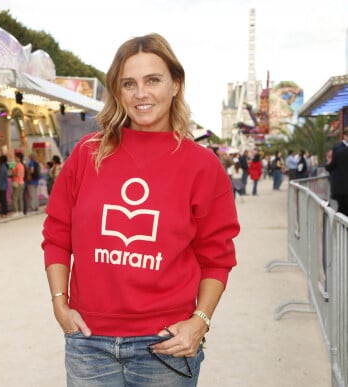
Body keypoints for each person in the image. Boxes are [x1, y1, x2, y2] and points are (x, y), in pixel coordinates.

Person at [42, 33, 240, 386]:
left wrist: (200, 321)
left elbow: (217, 257)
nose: (141, 94)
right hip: (89, 343)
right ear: (117, 92)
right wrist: (60, 302)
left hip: (166, 345)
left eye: (153, 80)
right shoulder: (87, 155)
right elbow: (57, 235)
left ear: (176, 84)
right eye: (128, 84)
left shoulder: (202, 166)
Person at [325, 131, 348, 215]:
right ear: (345, 136)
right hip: (340, 187)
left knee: (342, 212)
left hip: (341, 188)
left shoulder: (339, 152)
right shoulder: (338, 148)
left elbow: (330, 167)